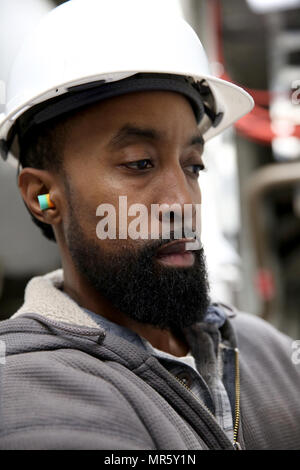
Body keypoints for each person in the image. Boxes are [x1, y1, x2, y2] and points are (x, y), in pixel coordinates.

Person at [0, 0, 299, 450]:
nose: (182, 202)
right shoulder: (29, 390)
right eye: (140, 163)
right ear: (42, 197)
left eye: (193, 166)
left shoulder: (262, 348)